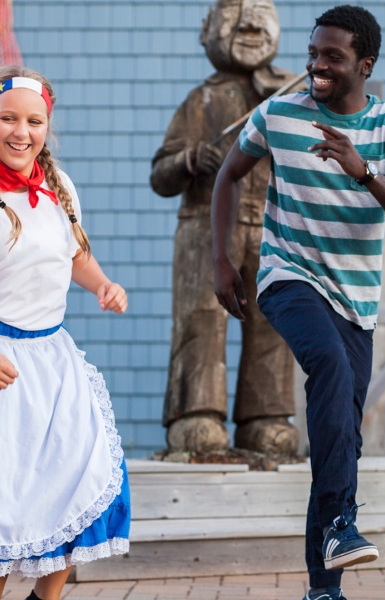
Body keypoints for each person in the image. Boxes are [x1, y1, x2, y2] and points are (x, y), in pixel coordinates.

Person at [210, 5, 385, 600]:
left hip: (355, 298)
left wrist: (364, 173)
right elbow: (228, 176)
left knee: (340, 440)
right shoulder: (279, 114)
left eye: (332, 57)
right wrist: (222, 259)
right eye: (314, 53)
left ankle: (322, 589)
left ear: (365, 64)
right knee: (327, 366)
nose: (316, 65)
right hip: (288, 275)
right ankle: (340, 522)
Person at [0, 66, 130, 600]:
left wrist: (102, 284)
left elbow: (74, 253)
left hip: (53, 361)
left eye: (33, 121)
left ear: (46, 127)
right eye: (7, 118)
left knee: (81, 480)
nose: (20, 132)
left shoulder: (59, 185)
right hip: (5, 366)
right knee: (10, 508)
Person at [151, 0, 300, 456]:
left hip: (271, 227)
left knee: (274, 323)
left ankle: (266, 416)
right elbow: (161, 175)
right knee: (202, 320)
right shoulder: (203, 99)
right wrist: (191, 158)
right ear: (207, 30)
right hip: (206, 231)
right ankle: (196, 413)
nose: (252, 21)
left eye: (262, 11)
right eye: (237, 12)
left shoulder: (286, 97)